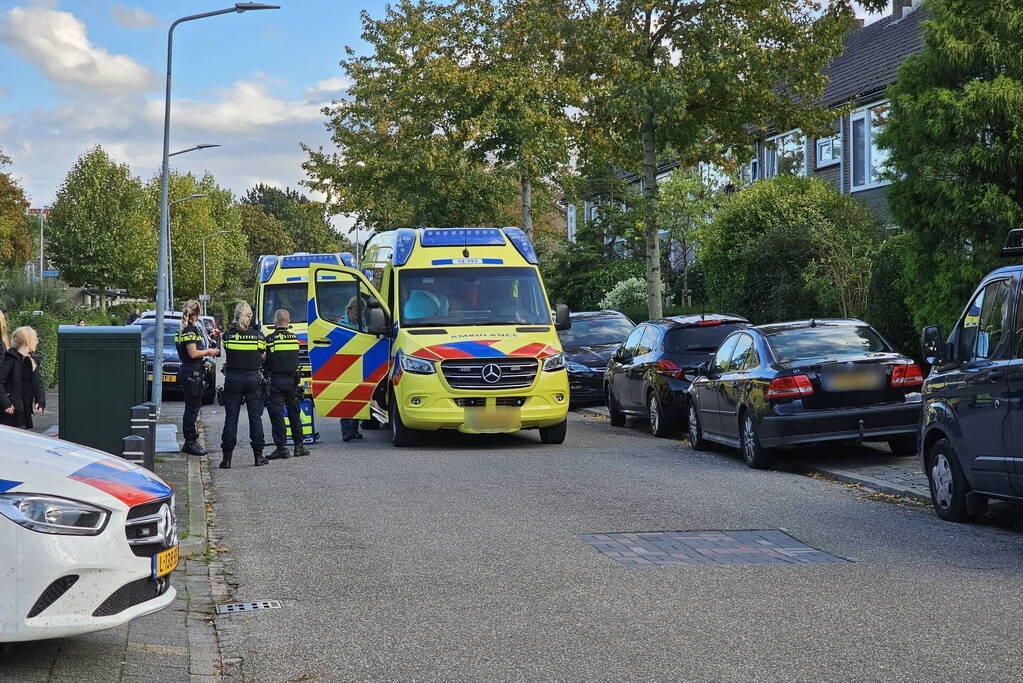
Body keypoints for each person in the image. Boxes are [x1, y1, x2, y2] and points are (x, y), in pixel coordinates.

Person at [219, 302, 268, 469]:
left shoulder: (227, 336)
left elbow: (228, 351)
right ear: (250, 316)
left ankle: (227, 459)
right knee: (255, 418)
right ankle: (259, 456)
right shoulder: (259, 336)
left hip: (233, 379)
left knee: (231, 418)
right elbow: (262, 355)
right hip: (253, 379)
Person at [264, 308, 310, 459]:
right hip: (292, 381)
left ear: (275, 321)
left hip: (276, 381)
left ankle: (282, 448)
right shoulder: (295, 338)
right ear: (289, 321)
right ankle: (299, 446)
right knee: (294, 413)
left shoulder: (270, 339)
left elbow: (265, 359)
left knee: (277, 414)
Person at [176, 300, 219, 456]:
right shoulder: (189, 330)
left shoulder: (187, 329)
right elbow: (193, 353)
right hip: (191, 372)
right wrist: (209, 352)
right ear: (197, 313)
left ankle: (191, 440)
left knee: (192, 408)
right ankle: (190, 442)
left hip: (191, 372)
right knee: (192, 409)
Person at [0, 326, 46, 430]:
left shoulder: (32, 361)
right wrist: (5, 403)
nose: (37, 342)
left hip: (25, 410)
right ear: (27, 342)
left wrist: (40, 401)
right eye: (35, 339)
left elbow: (38, 384)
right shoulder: (10, 359)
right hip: (11, 412)